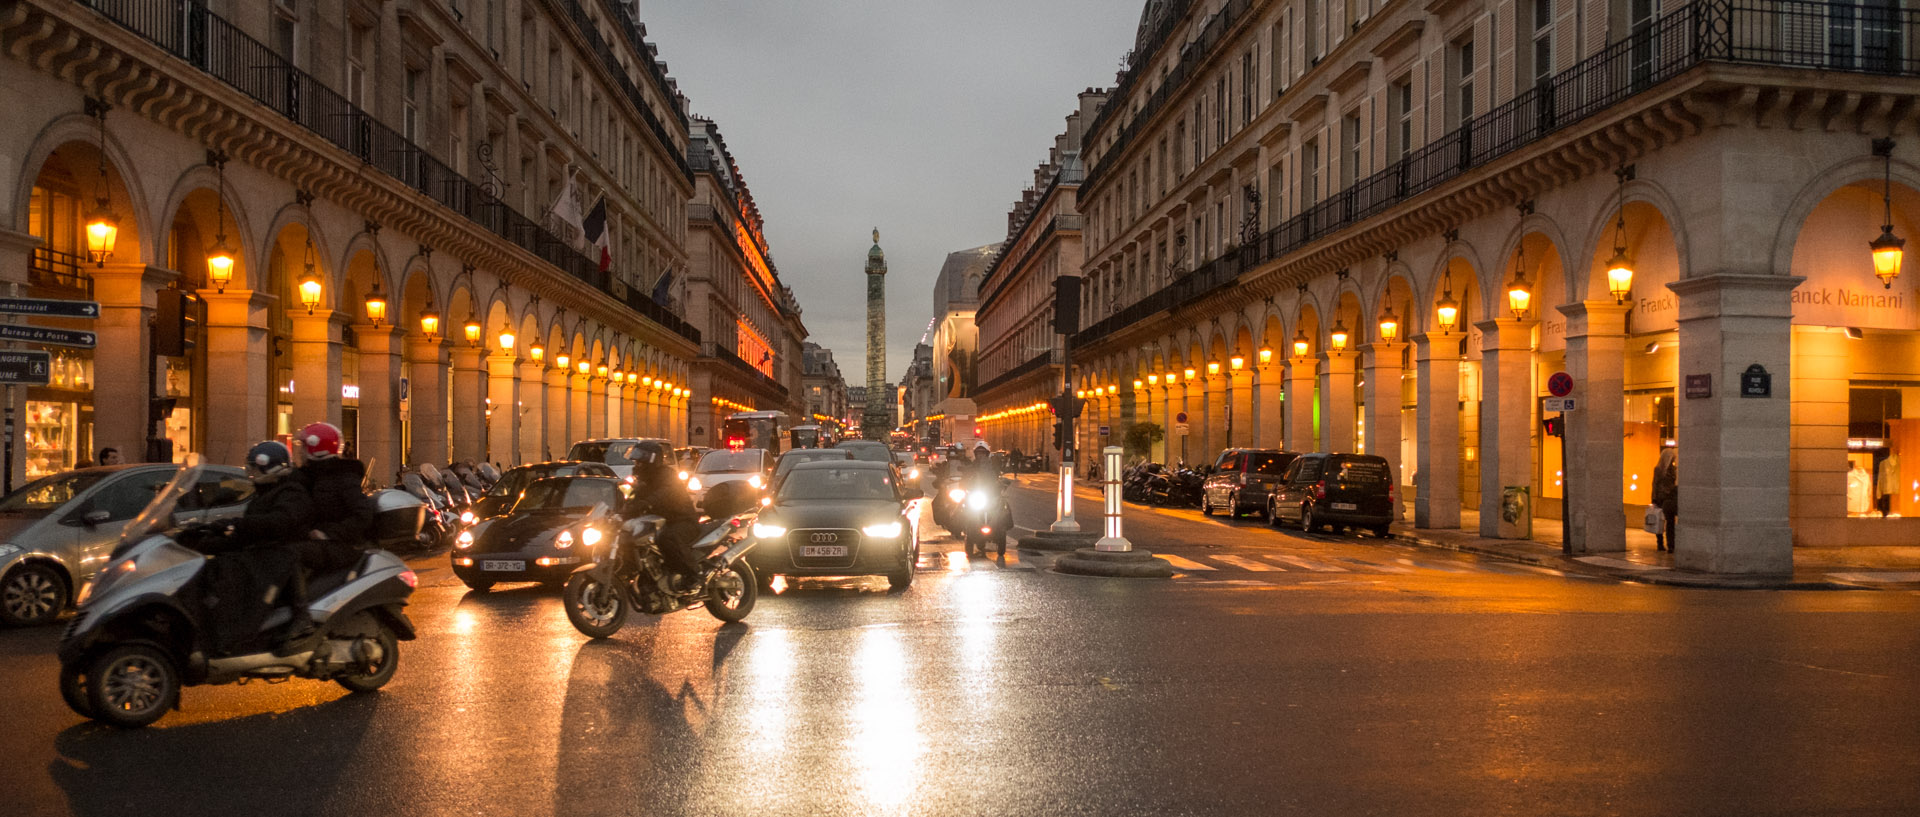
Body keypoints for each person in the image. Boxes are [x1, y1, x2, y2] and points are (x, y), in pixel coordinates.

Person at [202, 441, 314, 654]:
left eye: (254, 467)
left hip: (280, 555)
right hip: (264, 555)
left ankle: (302, 617)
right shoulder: (262, 496)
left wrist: (237, 523)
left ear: (270, 467)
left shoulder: (292, 492)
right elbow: (246, 535)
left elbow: (280, 521)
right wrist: (204, 543)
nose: (250, 472)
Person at [621, 447, 718, 590]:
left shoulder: (666, 475)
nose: (637, 465)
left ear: (651, 461)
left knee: (667, 538)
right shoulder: (641, 478)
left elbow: (664, 493)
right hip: (659, 520)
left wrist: (647, 503)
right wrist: (621, 510)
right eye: (636, 462)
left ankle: (694, 575)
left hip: (682, 519)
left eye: (640, 462)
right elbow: (632, 496)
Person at [1651, 447, 1678, 552]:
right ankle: (1660, 543)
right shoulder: (1658, 469)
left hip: (1670, 497)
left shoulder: (1673, 469)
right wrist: (1653, 498)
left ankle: (1671, 544)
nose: (1674, 460)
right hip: (1661, 497)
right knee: (1659, 520)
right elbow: (1654, 484)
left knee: (1669, 521)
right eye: (1672, 458)